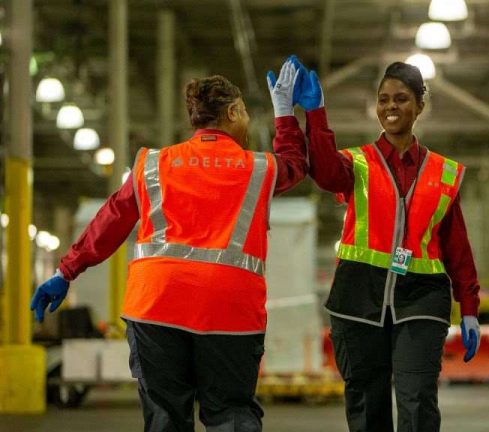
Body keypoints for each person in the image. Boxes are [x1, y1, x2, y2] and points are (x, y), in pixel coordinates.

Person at [30, 59, 307, 431]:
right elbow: (296, 164)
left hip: (155, 305)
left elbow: (111, 219)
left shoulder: (152, 164)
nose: (245, 122)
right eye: (243, 113)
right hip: (229, 309)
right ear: (232, 112)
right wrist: (285, 113)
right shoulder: (258, 167)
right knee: (230, 414)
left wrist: (66, 271)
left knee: (165, 418)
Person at [293, 58, 481, 431]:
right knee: (366, 400)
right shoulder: (357, 162)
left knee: (417, 399)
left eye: (401, 98)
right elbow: (325, 173)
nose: (391, 106)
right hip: (357, 297)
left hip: (422, 298)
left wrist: (470, 307)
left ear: (420, 106)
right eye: (384, 99)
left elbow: (457, 247)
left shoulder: (443, 172)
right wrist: (315, 114)